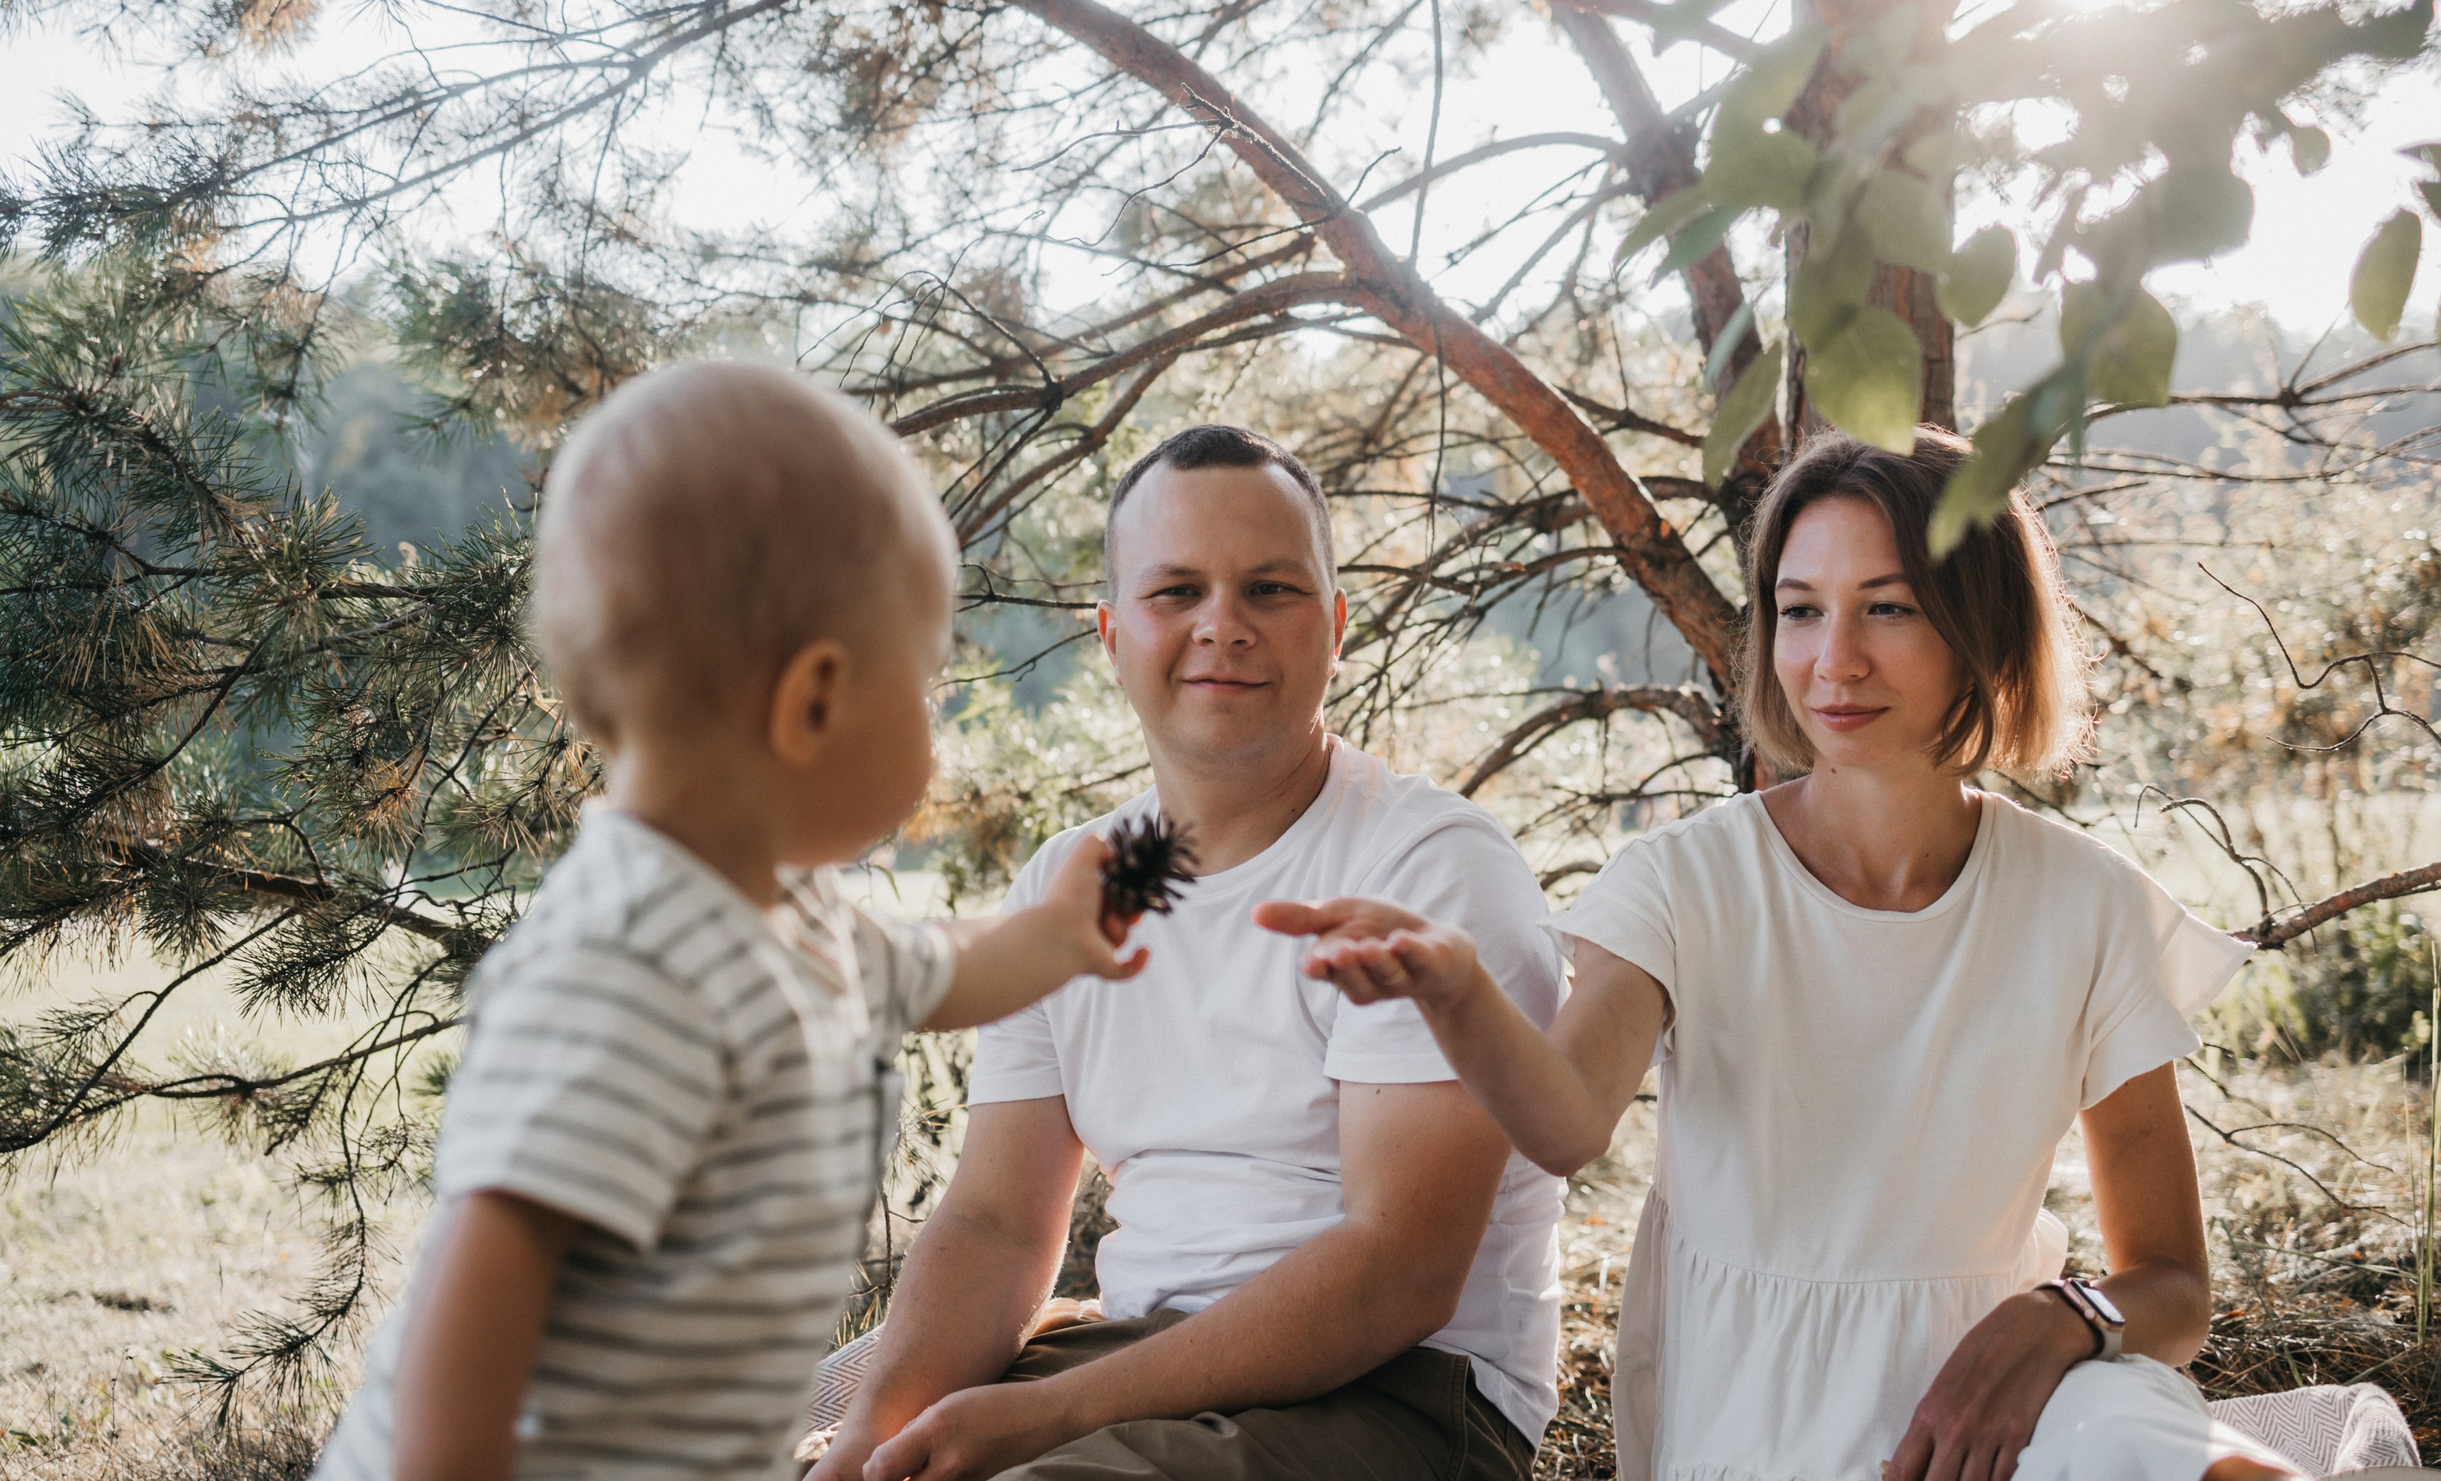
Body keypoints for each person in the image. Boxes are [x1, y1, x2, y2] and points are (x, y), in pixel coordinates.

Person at [1259, 427, 2320, 1481]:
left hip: (2016, 1406)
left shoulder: (2087, 903)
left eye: (1888, 608)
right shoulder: (1683, 881)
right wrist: (1457, 994)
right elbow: (1566, 1122)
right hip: (1758, 1419)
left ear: (1981, 626)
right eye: (1800, 610)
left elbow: (2173, 1288)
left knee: (2161, 1448)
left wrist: (2061, 1320)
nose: (1833, 659)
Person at [309, 359, 1150, 1481]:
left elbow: (933, 971)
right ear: (813, 700)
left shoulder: (787, 910)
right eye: (925, 682)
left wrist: (1055, 937)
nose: (934, 726)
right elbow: (479, 1298)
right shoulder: (624, 967)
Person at [805, 425, 1566, 1481]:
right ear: (1110, 633)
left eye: (1269, 589)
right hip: (1131, 1362)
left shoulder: (1429, 872)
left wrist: (1039, 1420)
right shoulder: (1072, 887)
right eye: (1176, 592)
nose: (1223, 627)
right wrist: (866, 1436)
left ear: (1335, 626)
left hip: (1402, 1393)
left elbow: (1398, 1275)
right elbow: (991, 1224)